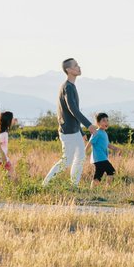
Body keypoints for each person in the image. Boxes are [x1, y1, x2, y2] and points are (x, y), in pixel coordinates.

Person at [42, 57, 94, 186]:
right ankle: (46, 185)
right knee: (68, 160)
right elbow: (73, 109)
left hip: (73, 130)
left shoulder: (70, 86)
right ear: (69, 70)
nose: (79, 67)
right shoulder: (68, 87)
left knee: (78, 158)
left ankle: (72, 185)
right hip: (69, 131)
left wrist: (81, 131)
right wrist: (89, 125)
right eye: (76, 65)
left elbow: (72, 112)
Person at [85, 112, 122, 187]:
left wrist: (117, 149)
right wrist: (84, 152)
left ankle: (93, 189)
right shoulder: (97, 132)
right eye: (104, 120)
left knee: (98, 175)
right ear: (98, 123)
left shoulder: (104, 133)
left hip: (101, 158)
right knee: (111, 171)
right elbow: (90, 143)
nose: (106, 122)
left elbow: (108, 144)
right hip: (99, 158)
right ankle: (107, 188)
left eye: (107, 120)